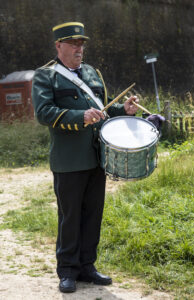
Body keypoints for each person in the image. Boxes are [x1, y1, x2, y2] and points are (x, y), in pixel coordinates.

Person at [32, 21, 139, 293]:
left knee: (93, 214)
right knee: (70, 217)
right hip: (68, 160)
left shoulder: (92, 73)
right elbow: (44, 113)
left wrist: (123, 110)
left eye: (82, 44)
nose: (79, 48)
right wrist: (79, 117)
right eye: (73, 43)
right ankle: (67, 270)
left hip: (96, 158)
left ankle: (87, 266)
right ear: (59, 46)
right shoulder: (46, 76)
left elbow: (103, 110)